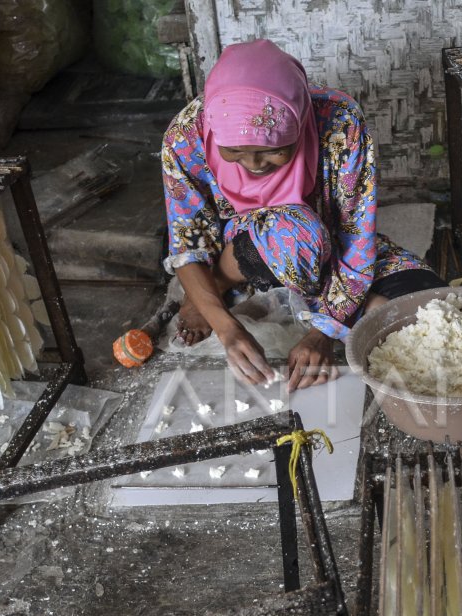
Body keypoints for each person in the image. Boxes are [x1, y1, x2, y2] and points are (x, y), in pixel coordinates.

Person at [161, 39, 445, 390]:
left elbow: (356, 235)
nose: (253, 165)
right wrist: (226, 328)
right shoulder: (186, 135)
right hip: (249, 251)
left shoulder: (339, 121)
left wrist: (322, 332)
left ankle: (313, 297)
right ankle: (218, 283)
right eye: (234, 151)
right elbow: (188, 241)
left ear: (300, 122)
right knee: (293, 236)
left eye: (274, 150)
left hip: (332, 245)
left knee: (426, 311)